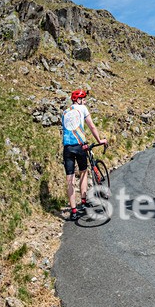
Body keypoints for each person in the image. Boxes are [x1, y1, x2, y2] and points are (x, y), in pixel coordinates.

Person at [62, 89, 108, 221]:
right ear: (78, 100)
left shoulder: (65, 112)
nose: (85, 101)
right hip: (80, 145)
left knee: (69, 179)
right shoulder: (82, 108)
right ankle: (83, 200)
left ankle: (74, 210)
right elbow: (92, 127)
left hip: (67, 148)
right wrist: (100, 140)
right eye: (83, 98)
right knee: (83, 172)